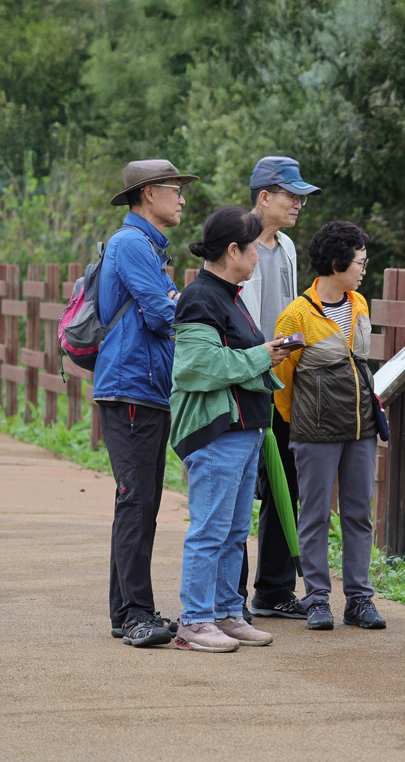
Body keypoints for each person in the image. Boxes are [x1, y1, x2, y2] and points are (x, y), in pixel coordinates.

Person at [170, 206, 290, 652]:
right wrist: (263, 355)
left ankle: (226, 612)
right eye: (254, 247)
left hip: (245, 429)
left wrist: (266, 354)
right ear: (233, 250)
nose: (259, 255)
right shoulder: (200, 297)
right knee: (209, 530)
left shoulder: (231, 295)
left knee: (235, 531)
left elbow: (232, 357)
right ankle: (194, 621)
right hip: (217, 431)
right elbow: (197, 366)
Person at [93, 158, 197, 648]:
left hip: (144, 386)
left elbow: (164, 308)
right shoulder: (132, 243)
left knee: (141, 502)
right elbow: (161, 314)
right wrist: (180, 304)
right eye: (176, 189)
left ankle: (126, 612)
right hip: (130, 385)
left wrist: (174, 301)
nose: (182, 199)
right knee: (137, 501)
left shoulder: (149, 246)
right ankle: (136, 614)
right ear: (149, 193)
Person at [273, 219, 387, 633]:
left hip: (361, 427)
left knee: (359, 515)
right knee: (316, 514)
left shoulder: (360, 303)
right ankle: (317, 598)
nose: (364, 269)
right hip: (314, 431)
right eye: (360, 262)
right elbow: (281, 382)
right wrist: (302, 422)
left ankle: (359, 599)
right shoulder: (295, 316)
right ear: (337, 264)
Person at [237, 154, 321, 621]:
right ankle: (229, 599)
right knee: (237, 486)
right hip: (244, 377)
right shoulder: (234, 240)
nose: (299, 204)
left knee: (284, 485)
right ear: (264, 196)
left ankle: (272, 590)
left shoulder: (287, 245)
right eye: (292, 195)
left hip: (283, 381)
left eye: (302, 197)